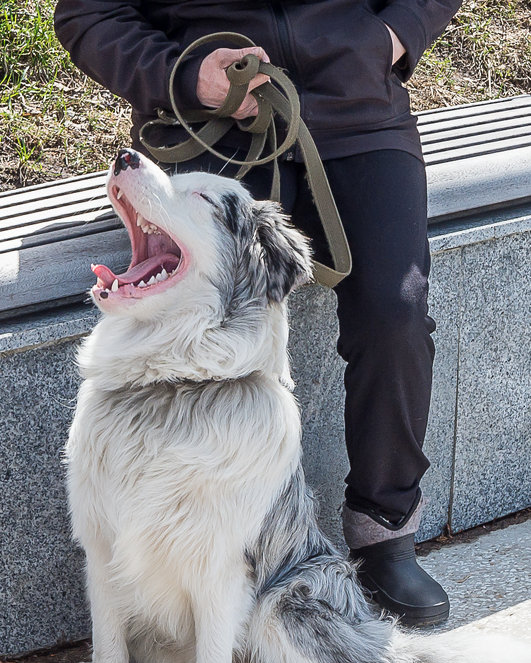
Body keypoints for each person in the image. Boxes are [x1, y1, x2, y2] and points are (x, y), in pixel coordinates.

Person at [54, 0, 463, 626]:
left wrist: (391, 36)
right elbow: (89, 15)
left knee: (394, 312)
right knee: (198, 319)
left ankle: (385, 527)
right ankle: (210, 551)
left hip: (360, 115)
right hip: (206, 121)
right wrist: (185, 76)